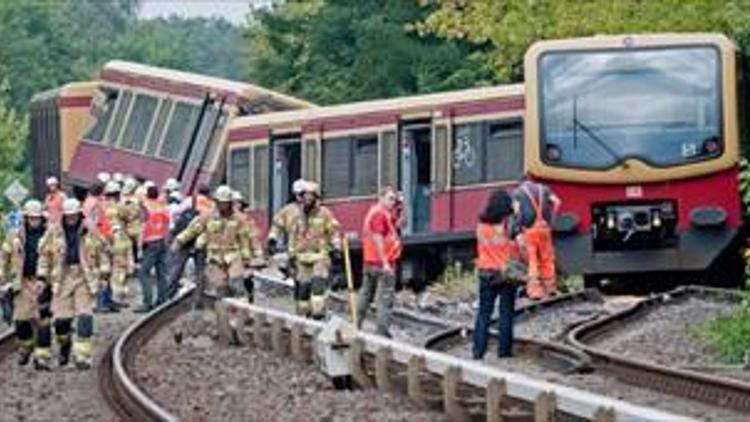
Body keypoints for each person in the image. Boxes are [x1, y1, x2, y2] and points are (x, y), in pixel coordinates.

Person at [39, 198, 110, 370]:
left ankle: (82, 357)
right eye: (68, 216)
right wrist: (42, 278)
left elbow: (105, 252)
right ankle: (65, 345)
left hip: (84, 276)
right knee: (61, 321)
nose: (71, 219)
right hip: (61, 278)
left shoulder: (90, 231)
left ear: (79, 215)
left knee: (85, 315)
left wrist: (104, 277)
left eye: (74, 216)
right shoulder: (54, 232)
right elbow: (44, 256)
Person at [172, 185, 261, 306]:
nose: (223, 206)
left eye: (226, 203)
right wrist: (179, 240)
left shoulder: (240, 219)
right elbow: (193, 229)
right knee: (220, 288)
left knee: (236, 283)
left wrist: (255, 260)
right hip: (214, 258)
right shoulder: (208, 216)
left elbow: (251, 238)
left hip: (234, 256)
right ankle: (225, 314)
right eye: (220, 203)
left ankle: (242, 312)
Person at [472, 189, 526, 359]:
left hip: (486, 272)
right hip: (506, 274)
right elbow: (522, 245)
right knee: (506, 313)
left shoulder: (481, 225)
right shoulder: (508, 225)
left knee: (483, 313)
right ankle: (504, 351)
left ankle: (478, 351)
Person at [0, 199, 51, 369]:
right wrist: (2, 277)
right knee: (21, 320)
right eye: (31, 218)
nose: (34, 221)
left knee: (42, 320)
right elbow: (4, 257)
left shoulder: (50, 235)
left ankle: (42, 357)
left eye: (37, 218)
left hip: (43, 282)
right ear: (25, 217)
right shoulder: (14, 236)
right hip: (21, 282)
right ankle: (26, 346)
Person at [287, 182, 340, 319]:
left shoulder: (325, 214)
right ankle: (302, 316)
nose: (307, 200)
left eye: (311, 197)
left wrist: (336, 248)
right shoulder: (297, 215)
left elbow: (334, 232)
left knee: (317, 286)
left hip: (319, 256)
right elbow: (293, 236)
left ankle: (317, 314)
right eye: (305, 197)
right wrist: (291, 255)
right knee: (303, 290)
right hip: (302, 258)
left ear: (316, 198)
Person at [356, 187, 403, 337]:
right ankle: (382, 332)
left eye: (394, 200)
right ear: (381, 197)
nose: (392, 202)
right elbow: (378, 238)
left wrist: (401, 207)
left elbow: (401, 224)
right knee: (385, 299)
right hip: (381, 263)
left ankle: (356, 323)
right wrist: (385, 263)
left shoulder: (380, 213)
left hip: (370, 261)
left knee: (366, 294)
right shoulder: (379, 214)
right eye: (390, 199)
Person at [511, 179, 561, 300]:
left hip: (529, 231)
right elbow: (557, 202)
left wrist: (516, 231)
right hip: (545, 230)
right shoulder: (544, 189)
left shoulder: (518, 193)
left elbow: (517, 212)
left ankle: (535, 291)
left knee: (532, 260)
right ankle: (550, 289)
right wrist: (551, 221)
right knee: (547, 259)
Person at [136, 184, 170, 312]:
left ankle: (147, 303)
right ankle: (162, 301)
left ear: (147, 195)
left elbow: (142, 226)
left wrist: (139, 247)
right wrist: (166, 242)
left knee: (143, 272)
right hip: (161, 241)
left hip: (149, 243)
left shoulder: (145, 207)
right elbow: (167, 226)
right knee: (161, 273)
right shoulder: (163, 207)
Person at [267, 179, 307, 258]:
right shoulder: (288, 211)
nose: (300, 197)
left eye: (302, 194)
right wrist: (272, 239)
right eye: (298, 194)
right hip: (294, 252)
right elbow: (277, 225)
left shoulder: (317, 211)